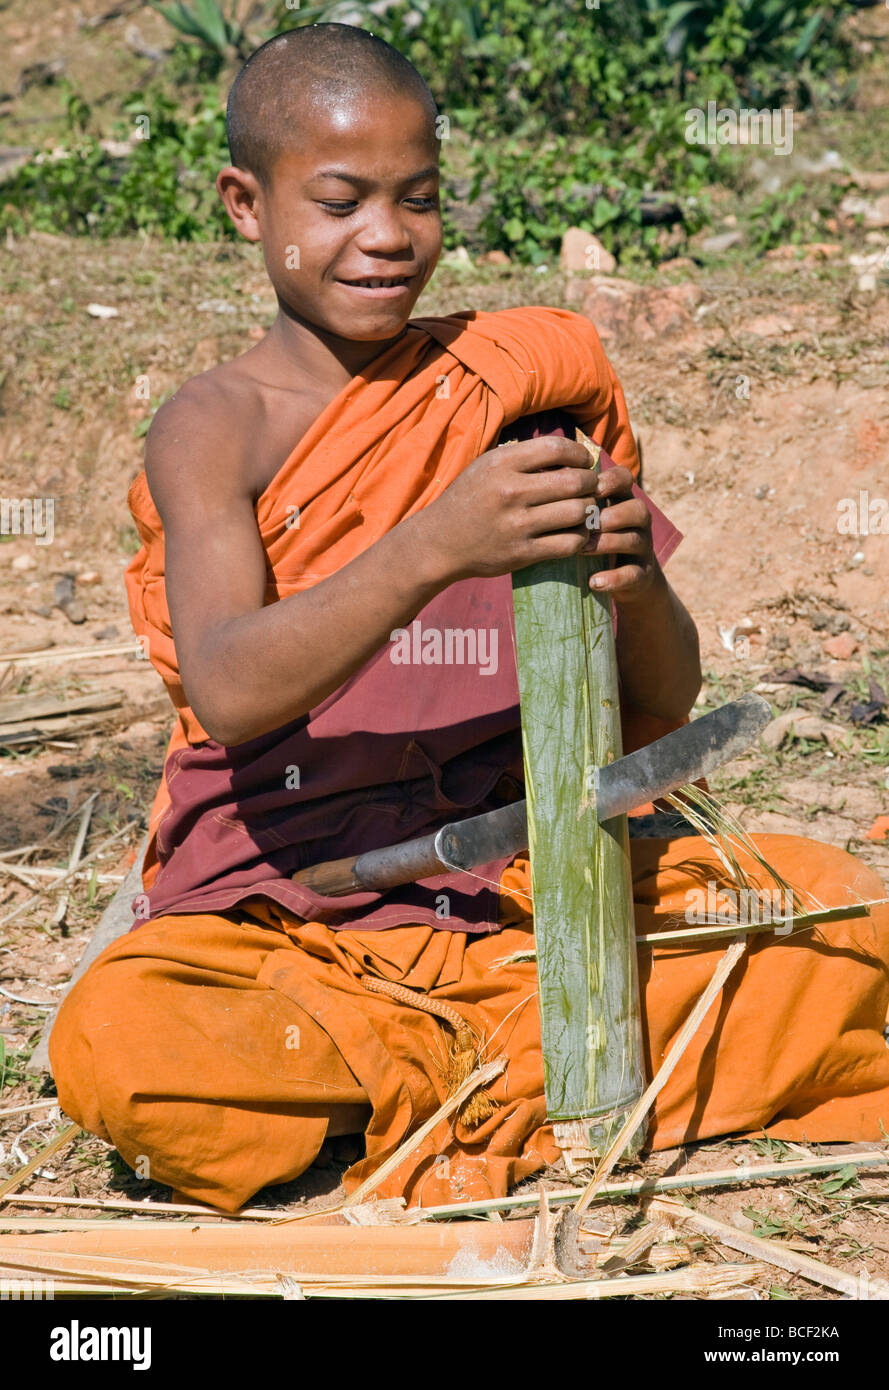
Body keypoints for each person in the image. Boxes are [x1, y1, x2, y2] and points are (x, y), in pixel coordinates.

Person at [50, 24, 889, 1213]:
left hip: (518, 887)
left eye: (420, 198)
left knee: (834, 921)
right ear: (247, 203)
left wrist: (632, 581)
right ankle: (514, 1066)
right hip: (289, 903)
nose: (388, 237)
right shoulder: (216, 424)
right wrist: (435, 545)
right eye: (339, 201)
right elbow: (233, 687)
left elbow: (659, 704)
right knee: (126, 1044)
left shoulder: (515, 382)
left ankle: (443, 1075)